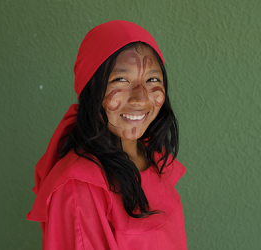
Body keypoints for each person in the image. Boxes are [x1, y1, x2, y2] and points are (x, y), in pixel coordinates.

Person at [27, 20, 187, 250]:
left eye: (152, 79)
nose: (140, 99)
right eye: (120, 80)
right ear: (90, 90)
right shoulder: (78, 186)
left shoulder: (153, 154)